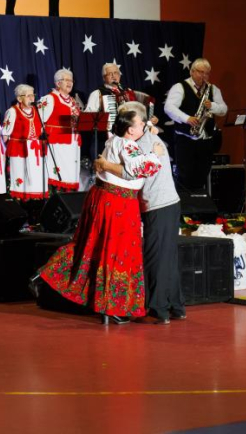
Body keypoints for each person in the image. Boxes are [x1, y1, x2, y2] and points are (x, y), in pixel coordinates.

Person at [36, 109, 164, 325]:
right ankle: (111, 306)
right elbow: (139, 169)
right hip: (119, 202)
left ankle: (51, 278)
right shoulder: (127, 145)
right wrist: (156, 154)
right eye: (141, 124)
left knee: (93, 244)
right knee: (118, 251)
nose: (144, 125)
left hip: (104, 197)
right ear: (131, 129)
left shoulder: (113, 141)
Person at [95, 101, 185, 325]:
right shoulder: (142, 138)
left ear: (136, 124)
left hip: (159, 204)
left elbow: (130, 172)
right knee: (167, 257)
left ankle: (158, 309)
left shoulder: (139, 142)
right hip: (165, 204)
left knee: (156, 258)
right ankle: (176, 306)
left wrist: (104, 164)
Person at [164, 58, 228, 192]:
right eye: (201, 72)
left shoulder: (212, 89)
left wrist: (213, 106)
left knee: (202, 174)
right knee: (185, 176)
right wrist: (187, 118)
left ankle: (200, 207)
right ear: (192, 71)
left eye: (207, 73)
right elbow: (169, 108)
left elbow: (224, 109)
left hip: (206, 139)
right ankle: (187, 208)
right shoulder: (180, 87)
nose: (204, 76)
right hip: (186, 140)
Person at [84, 62, 149, 160]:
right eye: (110, 74)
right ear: (104, 77)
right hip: (107, 140)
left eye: (116, 73)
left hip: (130, 140)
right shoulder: (97, 93)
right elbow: (88, 118)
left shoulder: (128, 92)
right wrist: (103, 121)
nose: (114, 76)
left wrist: (147, 120)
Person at [2, 84, 48, 221]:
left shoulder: (37, 110)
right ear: (19, 98)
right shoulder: (12, 111)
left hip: (35, 152)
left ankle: (35, 216)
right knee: (21, 182)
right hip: (19, 151)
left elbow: (41, 130)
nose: (31, 98)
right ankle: (20, 216)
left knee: (35, 183)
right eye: (28, 95)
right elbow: (5, 134)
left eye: (33, 95)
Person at [38, 69, 82, 193]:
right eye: (66, 80)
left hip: (72, 145)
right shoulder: (49, 99)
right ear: (58, 83)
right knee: (57, 175)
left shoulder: (73, 101)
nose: (70, 83)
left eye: (71, 80)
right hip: (57, 144)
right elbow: (38, 120)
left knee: (70, 175)